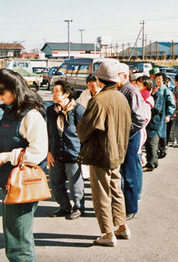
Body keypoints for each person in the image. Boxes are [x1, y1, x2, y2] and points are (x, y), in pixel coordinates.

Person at [0, 68, 48, 261]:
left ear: (14, 90)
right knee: (14, 236)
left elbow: (38, 152)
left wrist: (5, 157)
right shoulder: (13, 112)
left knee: (19, 242)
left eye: (2, 94)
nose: (0, 99)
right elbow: (11, 144)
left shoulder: (31, 115)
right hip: (11, 181)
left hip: (23, 184)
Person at [76, 61, 131, 247]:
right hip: (118, 152)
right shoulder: (122, 97)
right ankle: (122, 226)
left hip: (101, 153)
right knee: (116, 190)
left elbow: (84, 129)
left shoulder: (98, 100)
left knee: (101, 194)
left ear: (99, 80)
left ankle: (108, 233)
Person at [47, 80, 85, 220]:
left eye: (57, 92)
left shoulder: (78, 110)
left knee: (75, 184)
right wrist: (48, 151)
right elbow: (48, 132)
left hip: (73, 153)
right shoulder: (51, 111)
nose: (54, 94)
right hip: (56, 153)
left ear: (66, 94)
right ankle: (64, 206)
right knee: (55, 182)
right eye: (53, 91)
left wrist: (84, 152)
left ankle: (78, 207)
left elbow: (85, 133)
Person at [117, 63, 146, 221]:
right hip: (120, 137)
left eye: (117, 74)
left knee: (129, 174)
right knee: (122, 174)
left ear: (125, 75)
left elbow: (139, 118)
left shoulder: (131, 91)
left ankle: (131, 208)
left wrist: (125, 132)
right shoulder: (119, 90)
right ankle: (125, 205)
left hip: (129, 137)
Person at [135, 76, 154, 199]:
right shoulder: (141, 96)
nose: (136, 85)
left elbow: (144, 119)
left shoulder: (145, 98)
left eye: (139, 83)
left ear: (146, 85)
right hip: (137, 131)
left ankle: (137, 191)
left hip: (138, 132)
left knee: (135, 162)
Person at [143, 77, 166, 172]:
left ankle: (151, 164)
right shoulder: (152, 95)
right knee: (149, 144)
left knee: (152, 144)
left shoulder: (158, 96)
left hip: (155, 124)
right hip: (151, 124)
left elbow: (156, 109)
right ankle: (154, 162)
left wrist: (147, 108)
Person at [154, 72, 175, 158]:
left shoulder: (166, 90)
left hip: (163, 115)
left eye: (159, 79)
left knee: (162, 133)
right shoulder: (155, 89)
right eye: (156, 79)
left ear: (163, 80)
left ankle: (162, 150)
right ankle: (158, 149)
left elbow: (171, 103)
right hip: (156, 116)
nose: (158, 81)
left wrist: (168, 115)